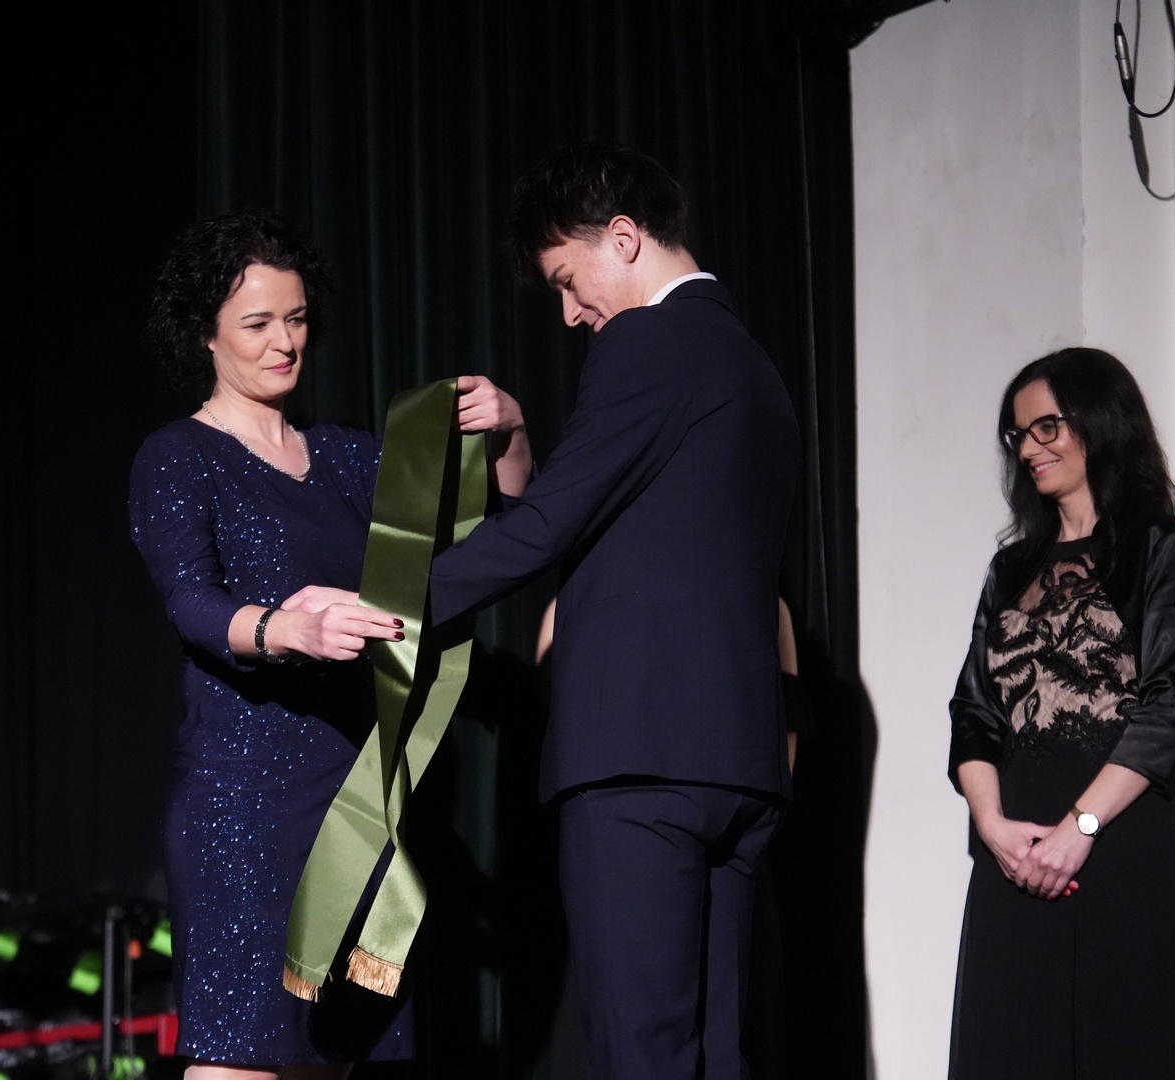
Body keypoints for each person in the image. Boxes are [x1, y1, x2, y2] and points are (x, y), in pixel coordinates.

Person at [426, 143, 802, 1080]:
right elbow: (629, 533)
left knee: (640, 1055)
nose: (568, 313)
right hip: (737, 767)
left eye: (567, 279)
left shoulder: (645, 343)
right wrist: (519, 441)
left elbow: (551, 527)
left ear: (624, 238)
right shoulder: (753, 367)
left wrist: (386, 606)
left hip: (637, 760)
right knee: (714, 1057)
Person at [129, 208, 531, 1080]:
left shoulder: (348, 459)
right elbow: (190, 603)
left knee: (335, 1062)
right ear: (205, 334)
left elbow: (495, 525)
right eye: (258, 323)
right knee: (241, 1061)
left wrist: (509, 432)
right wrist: (289, 627)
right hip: (243, 807)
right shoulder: (178, 456)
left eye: (298, 318)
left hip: (356, 803)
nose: (285, 342)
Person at [946, 347, 1175, 1079]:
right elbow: (973, 714)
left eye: (1047, 427)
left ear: (1101, 424)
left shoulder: (1165, 549)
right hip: (1014, 860)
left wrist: (1081, 830)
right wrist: (993, 829)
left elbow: (1168, 705)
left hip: (1120, 851)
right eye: (1019, 434)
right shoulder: (1010, 570)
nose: (1028, 449)